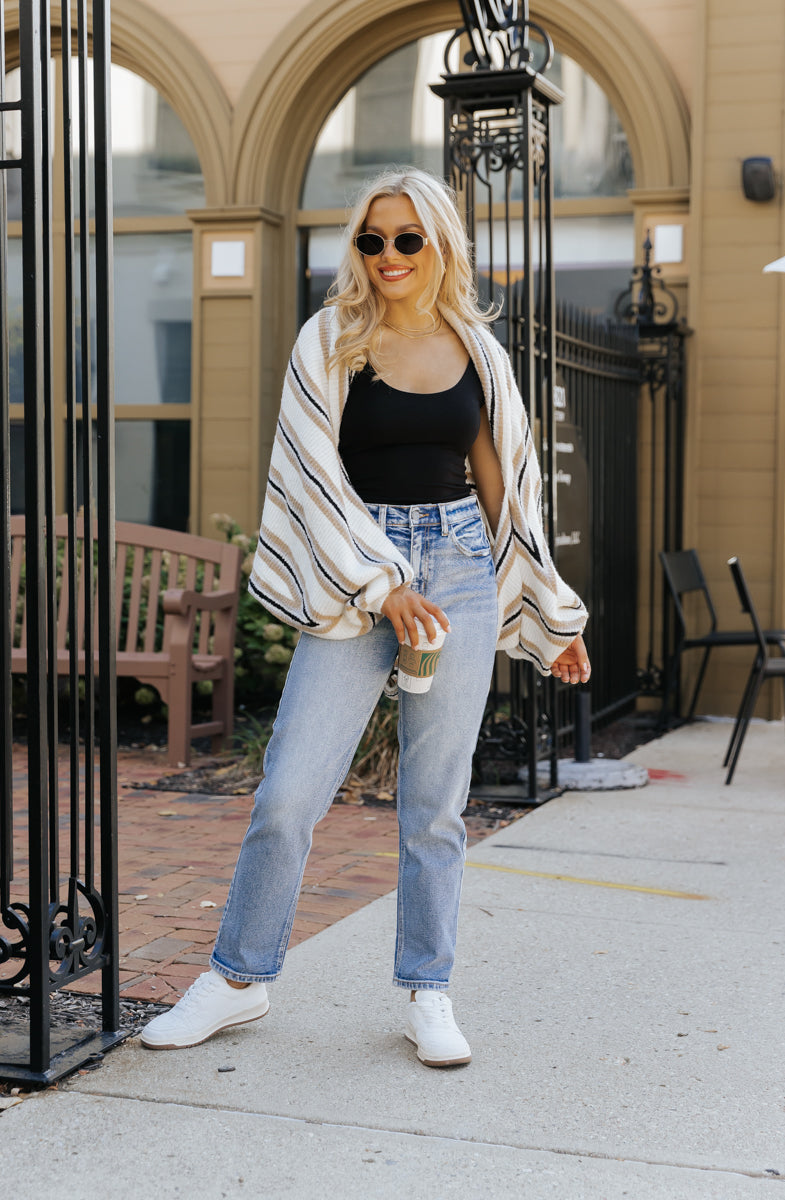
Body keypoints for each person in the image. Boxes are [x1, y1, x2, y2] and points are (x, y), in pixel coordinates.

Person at [141, 168, 590, 1066]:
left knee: (435, 805)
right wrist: (383, 582)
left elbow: (509, 498)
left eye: (407, 239)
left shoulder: (479, 352)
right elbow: (310, 476)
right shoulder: (330, 340)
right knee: (289, 791)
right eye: (371, 240)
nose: (387, 256)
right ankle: (239, 978)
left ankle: (429, 989)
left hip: (458, 569)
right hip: (359, 577)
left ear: (441, 245)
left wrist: (552, 613)